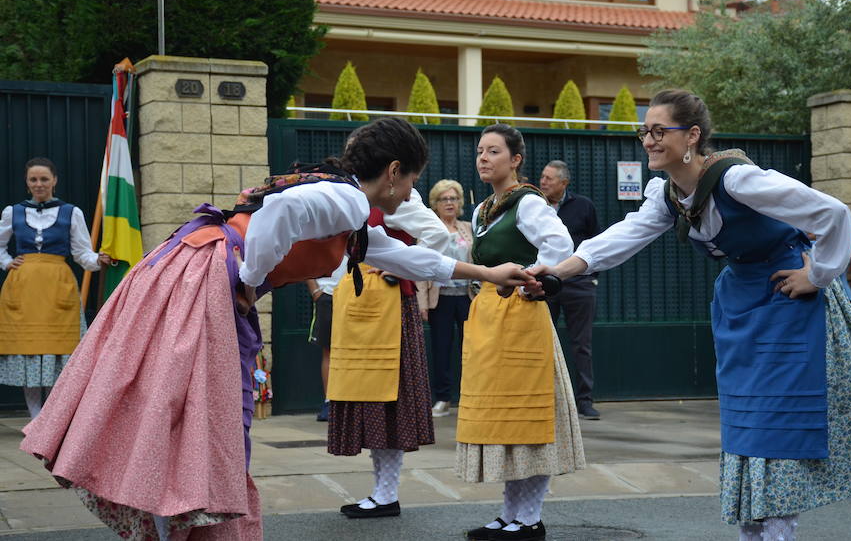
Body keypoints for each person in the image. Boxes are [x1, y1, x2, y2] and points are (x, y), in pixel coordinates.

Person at [19, 118, 532, 541]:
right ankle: (187, 521)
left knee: (175, 410)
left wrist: (486, 273)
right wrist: (249, 280)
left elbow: (402, 255)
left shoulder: (345, 207)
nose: (411, 192)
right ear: (395, 172)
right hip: (206, 279)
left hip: (185, 269)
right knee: (207, 416)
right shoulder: (351, 201)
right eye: (413, 180)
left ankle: (174, 517)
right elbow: (278, 212)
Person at [528, 90, 851, 541]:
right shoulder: (669, 194)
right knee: (747, 426)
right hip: (742, 308)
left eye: (659, 130)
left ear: (693, 136)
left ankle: (777, 533)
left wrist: (816, 275)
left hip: (789, 306)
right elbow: (620, 239)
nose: (648, 139)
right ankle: (756, 531)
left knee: (775, 430)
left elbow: (833, 213)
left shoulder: (739, 180)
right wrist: (557, 272)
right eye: (645, 130)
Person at [459, 124, 585, 541]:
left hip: (521, 316)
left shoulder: (528, 202)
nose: (483, 158)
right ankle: (511, 514)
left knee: (526, 418)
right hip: (490, 319)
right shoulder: (482, 210)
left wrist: (534, 280)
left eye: (493, 151)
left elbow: (560, 243)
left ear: (515, 160)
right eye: (480, 150)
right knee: (504, 419)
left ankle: (529, 518)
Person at [328, 186, 449, 518]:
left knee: (388, 401)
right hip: (361, 301)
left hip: (389, 306)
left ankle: (386, 494)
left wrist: (404, 267)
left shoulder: (398, 198)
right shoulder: (361, 197)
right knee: (372, 401)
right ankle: (381, 492)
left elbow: (438, 234)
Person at [0, 157, 111, 420]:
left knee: (55, 352)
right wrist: (6, 262)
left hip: (57, 288)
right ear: (27, 183)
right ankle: (36, 418)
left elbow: (82, 253)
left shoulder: (71, 212)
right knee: (29, 352)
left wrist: (99, 260)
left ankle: (50, 418)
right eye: (33, 180)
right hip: (23, 288)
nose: (39, 184)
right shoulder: (12, 212)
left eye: (44, 179)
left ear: (54, 181)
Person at [539, 160, 601, 419]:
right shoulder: (535, 206)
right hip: (544, 283)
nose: (543, 182)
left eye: (549, 178)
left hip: (578, 285)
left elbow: (597, 240)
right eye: (542, 177)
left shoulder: (583, 206)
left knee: (581, 345)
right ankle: (545, 399)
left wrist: (591, 277)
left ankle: (584, 401)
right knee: (541, 342)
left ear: (564, 183)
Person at [417, 179, 474, 418]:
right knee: (441, 349)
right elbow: (419, 266)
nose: (449, 203)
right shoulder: (430, 230)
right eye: (444, 199)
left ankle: (470, 396)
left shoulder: (468, 228)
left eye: (453, 198)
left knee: (471, 349)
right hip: (439, 298)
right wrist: (421, 304)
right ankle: (442, 398)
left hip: (467, 297)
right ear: (435, 204)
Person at [305, 256, 348, 422]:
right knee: (328, 351)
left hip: (354, 295)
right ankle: (329, 402)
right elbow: (304, 262)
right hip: (327, 296)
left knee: (354, 352)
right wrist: (316, 292)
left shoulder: (359, 233)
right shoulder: (320, 233)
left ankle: (350, 401)